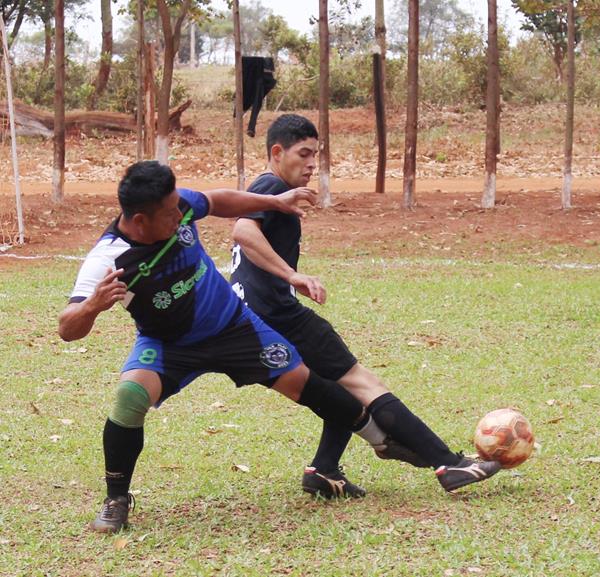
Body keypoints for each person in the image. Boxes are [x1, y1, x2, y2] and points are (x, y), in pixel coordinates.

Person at [59, 161, 496, 534]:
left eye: (179, 207)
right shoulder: (108, 259)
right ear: (139, 220)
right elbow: (67, 328)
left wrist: (275, 201)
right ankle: (117, 499)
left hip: (234, 326)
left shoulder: (178, 205)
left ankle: (382, 441)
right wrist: (93, 308)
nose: (181, 215)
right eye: (172, 214)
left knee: (305, 383)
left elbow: (218, 200)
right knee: (130, 397)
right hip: (169, 343)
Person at [229, 113, 501, 499]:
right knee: (362, 383)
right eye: (304, 154)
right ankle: (450, 464)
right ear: (277, 152)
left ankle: (323, 470)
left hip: (252, 321)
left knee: (337, 393)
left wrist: (286, 278)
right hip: (277, 316)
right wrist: (292, 276)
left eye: (316, 156)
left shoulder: (265, 190)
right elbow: (242, 229)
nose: (312, 164)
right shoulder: (270, 185)